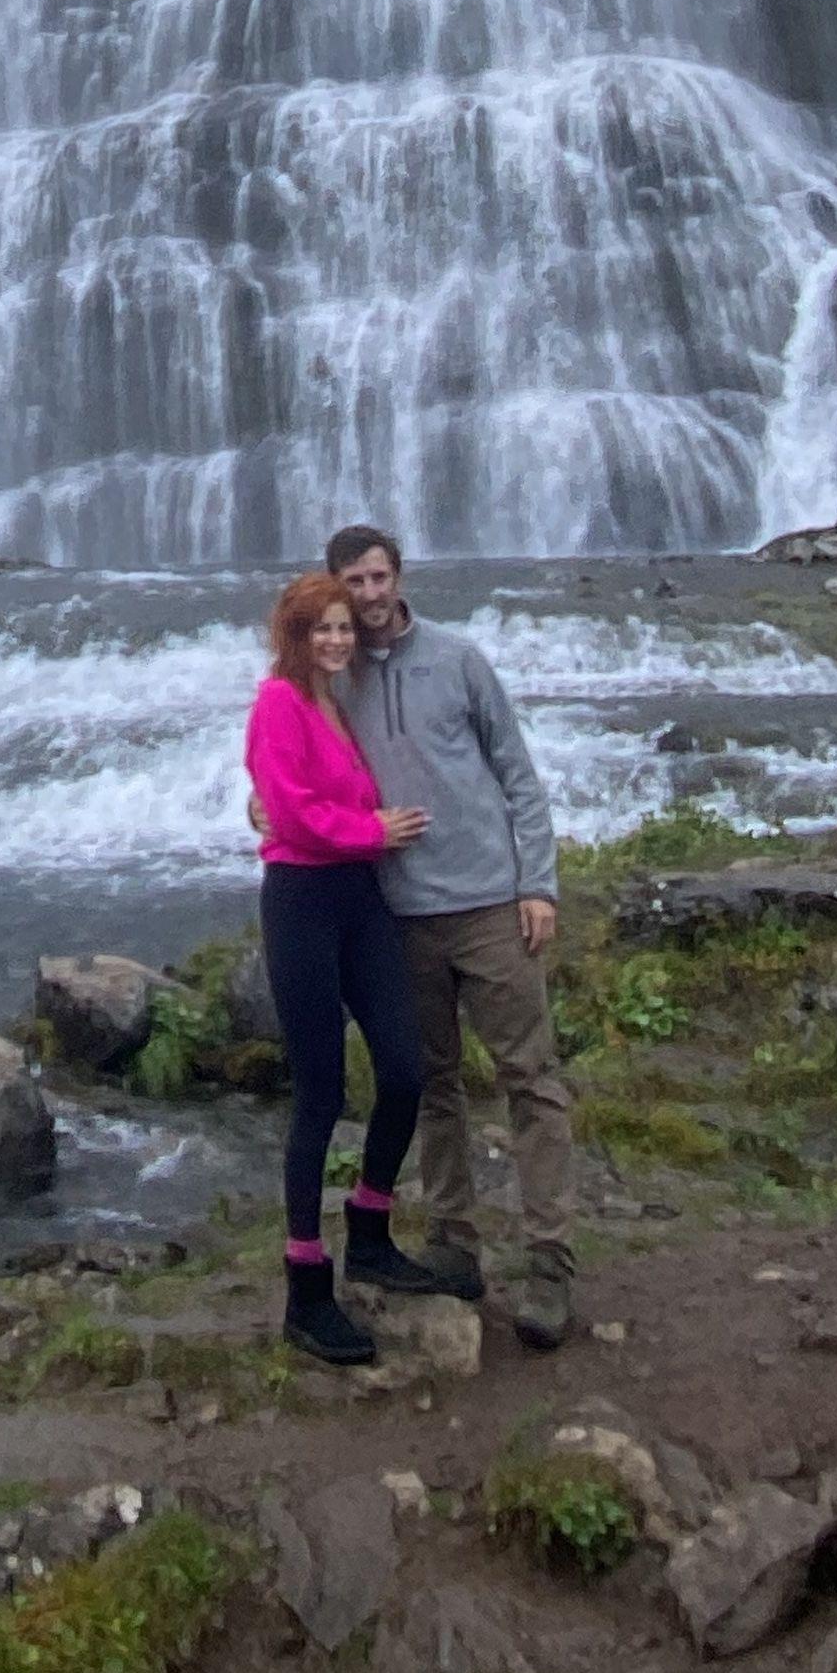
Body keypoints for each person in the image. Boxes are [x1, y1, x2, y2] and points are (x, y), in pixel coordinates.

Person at [324, 521, 583, 1345]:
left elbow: (519, 775)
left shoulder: (460, 659)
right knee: (434, 1087)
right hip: (401, 917)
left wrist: (537, 885)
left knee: (530, 1079)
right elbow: (297, 772)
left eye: (377, 578)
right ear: (336, 588)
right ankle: (453, 1244)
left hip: (487, 906)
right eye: (353, 583)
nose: (367, 596)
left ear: (399, 577)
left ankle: (549, 1265)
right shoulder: (334, 675)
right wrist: (262, 807)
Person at [246, 566, 440, 1366]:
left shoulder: (341, 698)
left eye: (342, 627)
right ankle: (305, 1287)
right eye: (320, 627)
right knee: (319, 1096)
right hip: (302, 901)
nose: (335, 639)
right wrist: (372, 832)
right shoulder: (278, 702)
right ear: (293, 635)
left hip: (359, 900)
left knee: (404, 1068)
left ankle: (370, 1226)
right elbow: (287, 807)